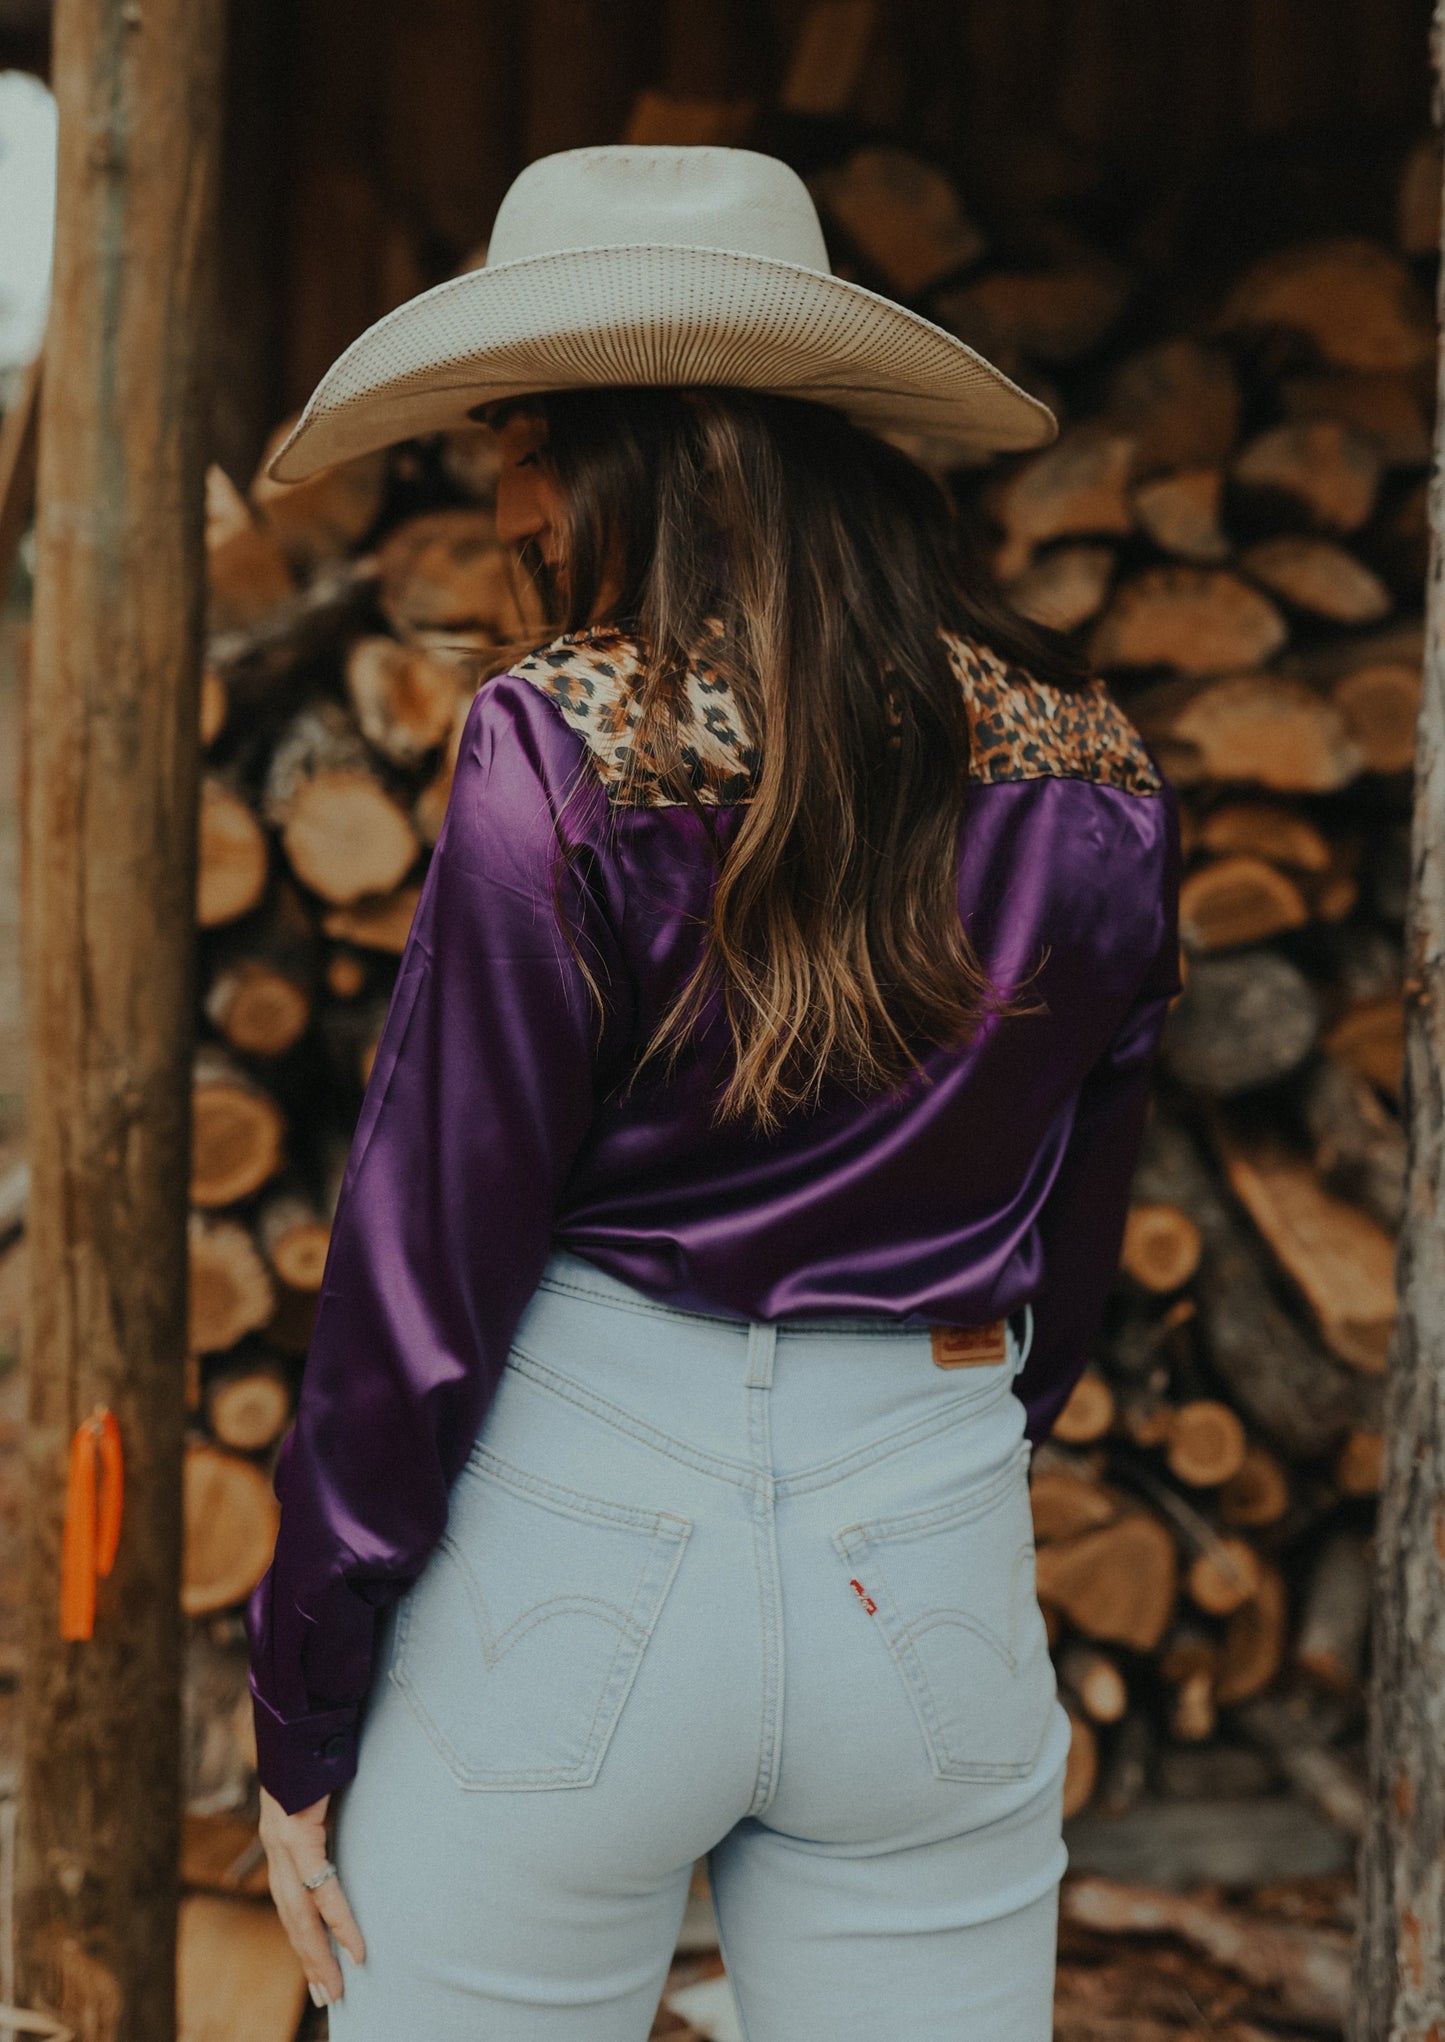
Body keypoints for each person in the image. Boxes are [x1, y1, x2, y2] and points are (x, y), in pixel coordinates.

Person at [245, 143, 1182, 2040]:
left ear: (616, 454)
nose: (502, 495)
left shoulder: (558, 745)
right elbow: (1073, 1254)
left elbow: (423, 1270)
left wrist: (302, 1696)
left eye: (520, 434)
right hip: (924, 1538)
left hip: (575, 1546)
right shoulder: (1092, 757)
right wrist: (933, 1464)